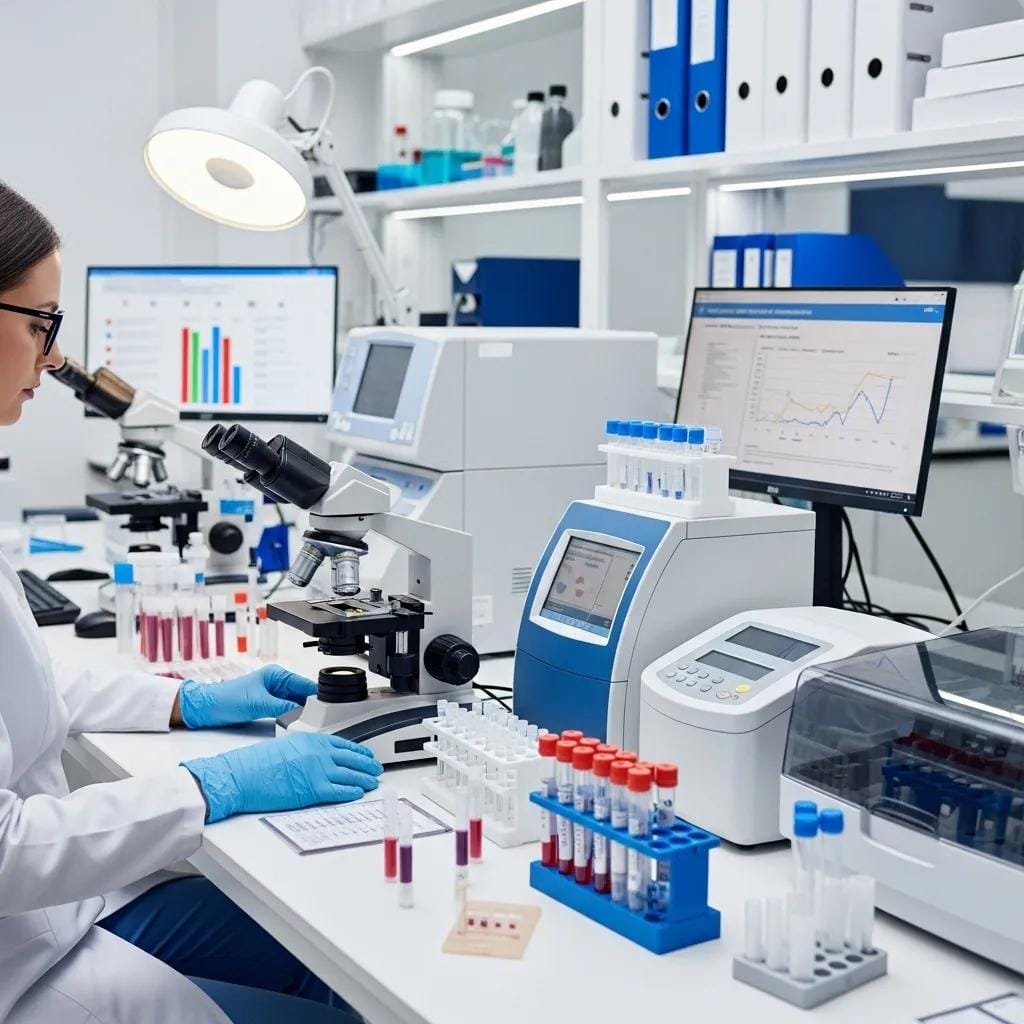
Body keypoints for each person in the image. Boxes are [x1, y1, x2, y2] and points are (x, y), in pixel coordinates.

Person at [0, 180, 383, 1024]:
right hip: (21, 969)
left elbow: (24, 688)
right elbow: (6, 854)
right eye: (41, 323)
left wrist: (187, 699)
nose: (53, 357)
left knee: (327, 957)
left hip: (52, 920)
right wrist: (212, 785)